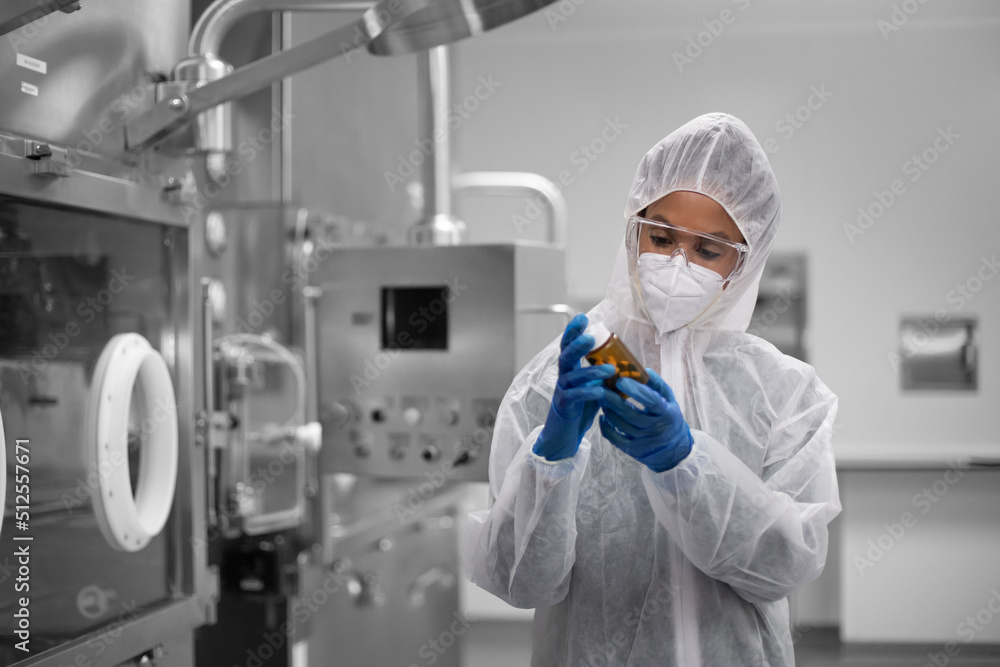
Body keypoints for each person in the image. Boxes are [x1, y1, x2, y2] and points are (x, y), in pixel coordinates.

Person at [464, 113, 840, 666]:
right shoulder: (559, 377)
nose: (676, 264)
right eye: (660, 237)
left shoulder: (784, 393)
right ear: (633, 228)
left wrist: (687, 462)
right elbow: (521, 583)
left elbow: (786, 566)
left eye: (708, 250)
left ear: (746, 261)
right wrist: (553, 452)